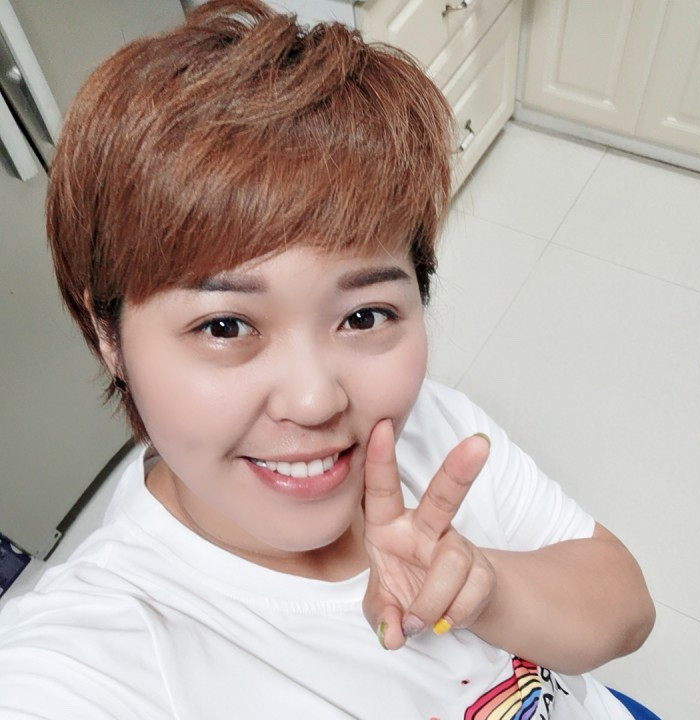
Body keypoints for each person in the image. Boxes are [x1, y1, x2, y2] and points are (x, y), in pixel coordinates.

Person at [0, 1, 657, 717]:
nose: (316, 402)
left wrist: (489, 590)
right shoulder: (102, 650)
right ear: (109, 336)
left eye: (363, 316)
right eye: (225, 326)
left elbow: (627, 606)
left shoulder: (429, 429)